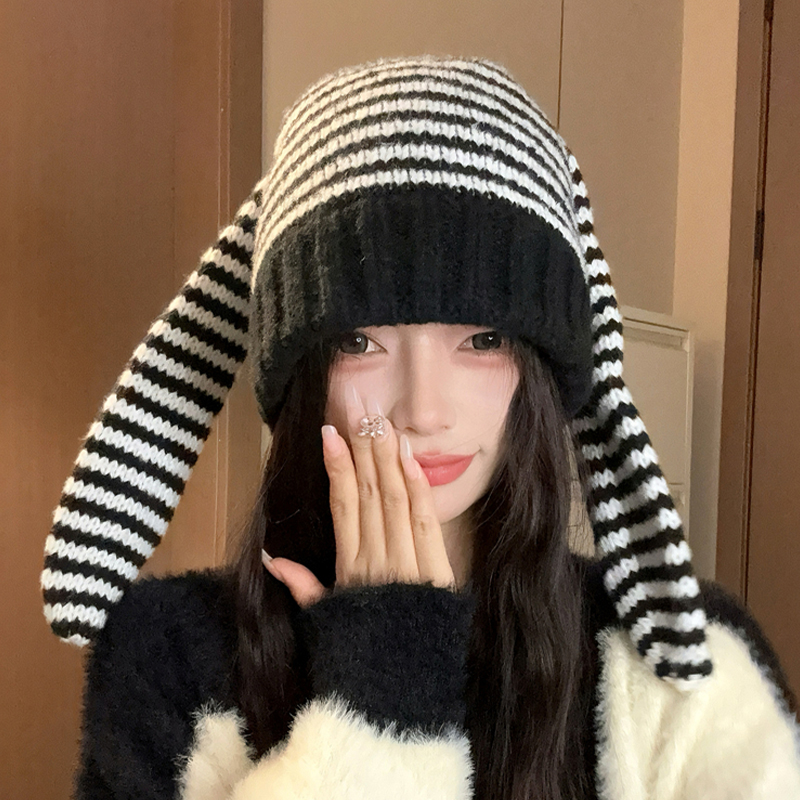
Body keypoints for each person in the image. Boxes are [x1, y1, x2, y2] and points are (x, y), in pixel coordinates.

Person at [42, 56, 800, 800]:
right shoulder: (165, 661)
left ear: (541, 370)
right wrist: (380, 694)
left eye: (483, 339)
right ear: (301, 376)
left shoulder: (685, 675)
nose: (424, 410)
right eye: (358, 341)